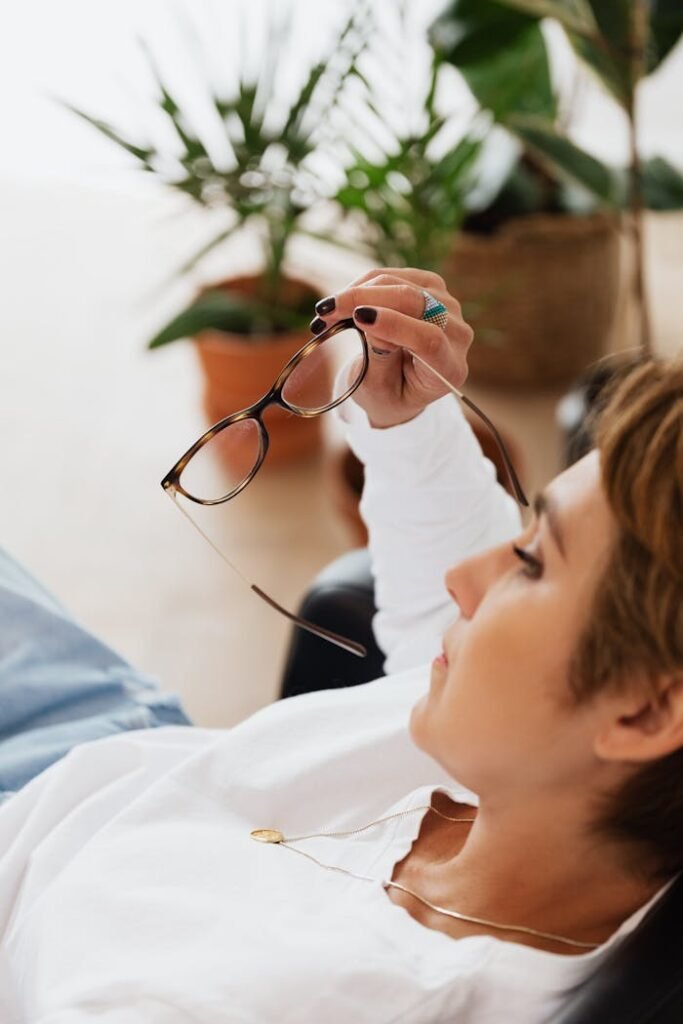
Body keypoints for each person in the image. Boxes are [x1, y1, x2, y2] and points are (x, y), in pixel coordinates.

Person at [0, 267, 681, 1023]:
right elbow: (463, 616)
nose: (465, 577)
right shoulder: (536, 760)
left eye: (529, 563)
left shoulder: (346, 996)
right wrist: (408, 423)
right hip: (121, 749)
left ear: (645, 713)